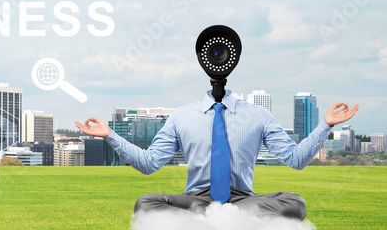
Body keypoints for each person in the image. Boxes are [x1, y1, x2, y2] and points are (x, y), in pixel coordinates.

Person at [75, 92, 359, 220]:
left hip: (243, 198)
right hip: (195, 198)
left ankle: (220, 218)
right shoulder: (182, 116)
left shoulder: (257, 115)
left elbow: (295, 159)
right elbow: (150, 164)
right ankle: (218, 219)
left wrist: (326, 125)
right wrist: (109, 135)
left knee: (294, 203)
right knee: (146, 204)